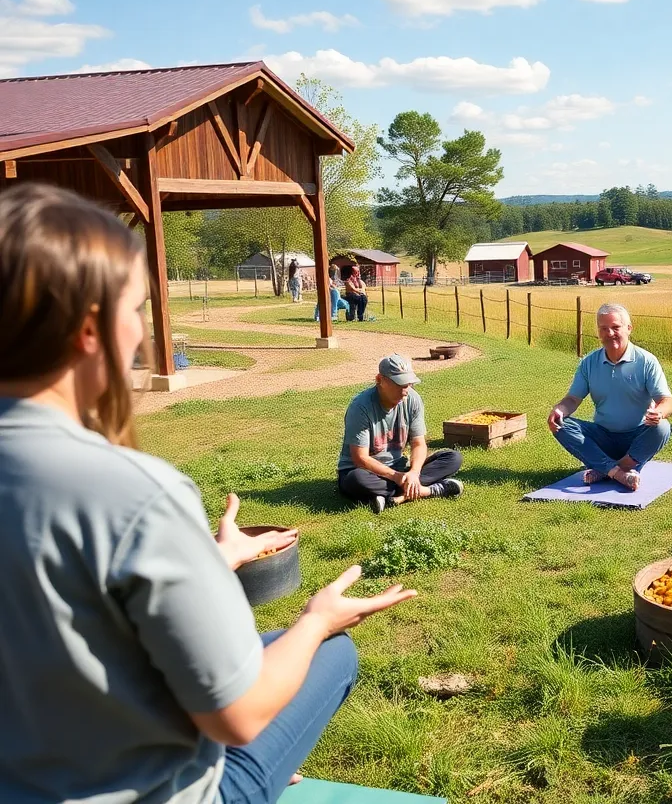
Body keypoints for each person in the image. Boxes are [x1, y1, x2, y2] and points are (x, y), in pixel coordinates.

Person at [0, 183, 416, 804]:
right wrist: (315, 621)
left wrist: (215, 558)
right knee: (331, 652)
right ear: (89, 329)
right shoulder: (133, 494)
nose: (142, 332)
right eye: (137, 309)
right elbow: (237, 716)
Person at [547, 304, 672, 491]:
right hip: (602, 438)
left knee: (662, 427)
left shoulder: (646, 361)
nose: (610, 333)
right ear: (598, 332)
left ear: (629, 328)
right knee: (561, 424)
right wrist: (559, 410)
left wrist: (659, 413)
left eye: (615, 327)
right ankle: (619, 473)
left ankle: (607, 468)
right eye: (604, 328)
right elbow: (572, 399)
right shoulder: (589, 363)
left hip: (637, 438)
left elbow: (667, 402)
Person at [337, 354, 463, 513]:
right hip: (364, 471)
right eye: (400, 384)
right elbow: (360, 459)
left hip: (400, 469)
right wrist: (398, 477)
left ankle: (392, 496)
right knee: (356, 479)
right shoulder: (360, 407)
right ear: (380, 380)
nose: (405, 391)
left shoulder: (413, 399)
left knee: (453, 458)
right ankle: (431, 490)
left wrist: (414, 473)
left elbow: (418, 444)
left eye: (408, 384)